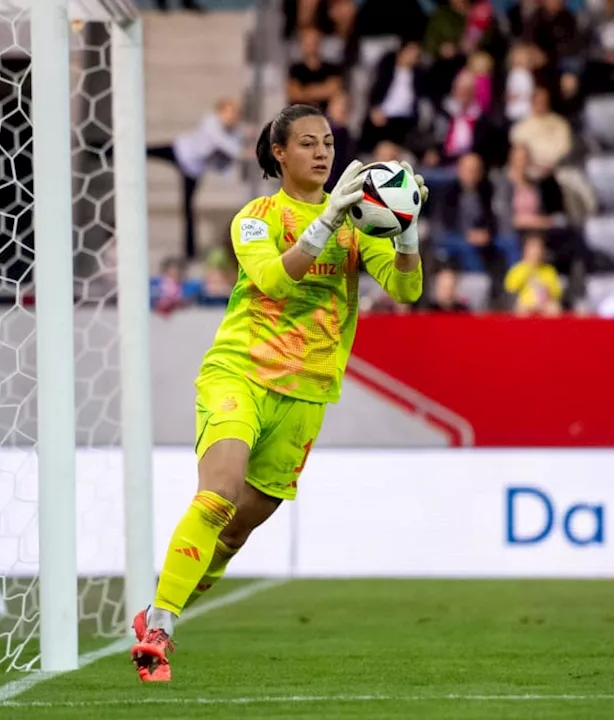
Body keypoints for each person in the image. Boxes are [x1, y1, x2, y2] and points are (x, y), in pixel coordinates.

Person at [130, 104, 428, 682]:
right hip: (239, 373)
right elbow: (274, 277)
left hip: (306, 394)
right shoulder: (256, 218)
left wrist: (408, 228)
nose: (322, 152)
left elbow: (406, 287)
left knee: (237, 529)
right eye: (309, 143)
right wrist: (328, 220)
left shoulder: (357, 225)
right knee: (217, 495)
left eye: (329, 142)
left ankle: (157, 610)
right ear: (279, 153)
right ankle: (162, 626)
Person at [146, 98, 245, 259]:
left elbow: (226, 163)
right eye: (228, 112)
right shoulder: (211, 123)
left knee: (188, 208)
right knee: (146, 151)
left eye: (234, 114)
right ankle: (103, 149)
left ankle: (190, 251)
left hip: (193, 170)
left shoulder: (234, 134)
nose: (232, 117)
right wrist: (244, 150)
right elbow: (226, 146)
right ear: (219, 112)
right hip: (180, 152)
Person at [504, 233, 563, 316]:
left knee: (554, 308)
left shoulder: (549, 270)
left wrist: (549, 290)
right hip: (526, 303)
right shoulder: (518, 268)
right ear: (525, 252)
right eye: (532, 251)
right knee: (521, 310)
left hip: (545, 302)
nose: (535, 254)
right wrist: (527, 270)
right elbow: (510, 287)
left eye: (538, 251)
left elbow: (557, 291)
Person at [288, 28, 344, 111]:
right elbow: (294, 94)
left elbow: (334, 90)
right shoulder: (295, 69)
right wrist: (321, 90)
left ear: (320, 44)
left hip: (326, 116)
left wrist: (305, 91)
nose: (311, 47)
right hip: (301, 116)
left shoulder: (331, 68)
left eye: (314, 42)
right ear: (301, 45)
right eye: (307, 43)